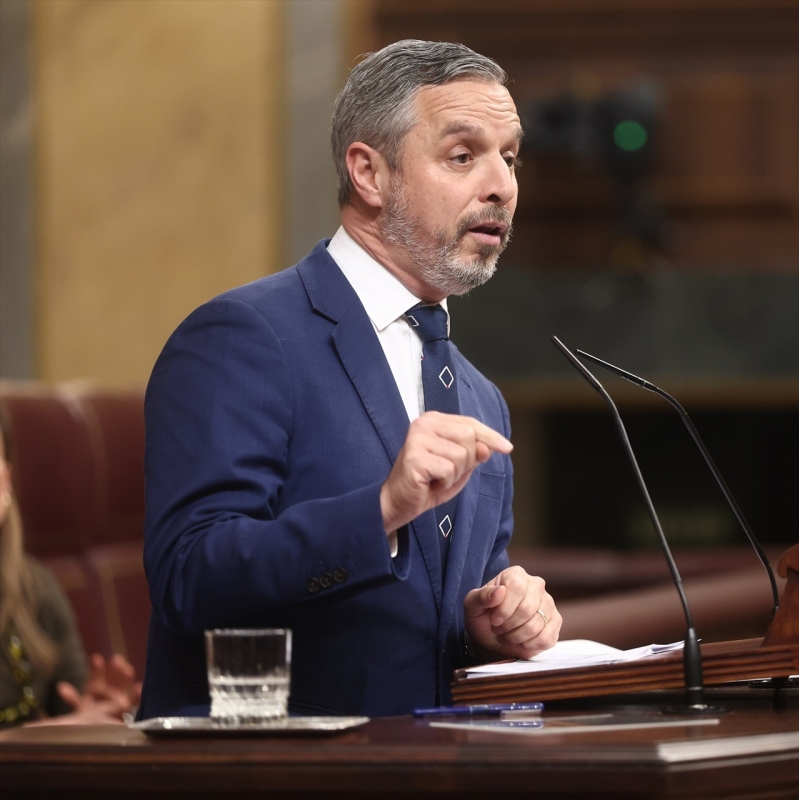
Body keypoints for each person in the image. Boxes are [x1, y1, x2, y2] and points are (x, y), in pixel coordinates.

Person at [139, 40, 560, 720]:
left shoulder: (482, 398)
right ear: (368, 172)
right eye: (463, 155)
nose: (502, 185)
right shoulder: (243, 336)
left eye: (510, 157)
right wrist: (381, 509)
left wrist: (492, 624)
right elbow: (190, 578)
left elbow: (432, 617)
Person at [0, 408, 141, 727]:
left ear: (6, 480)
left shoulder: (34, 586)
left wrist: (92, 708)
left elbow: (73, 711)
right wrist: (48, 734)